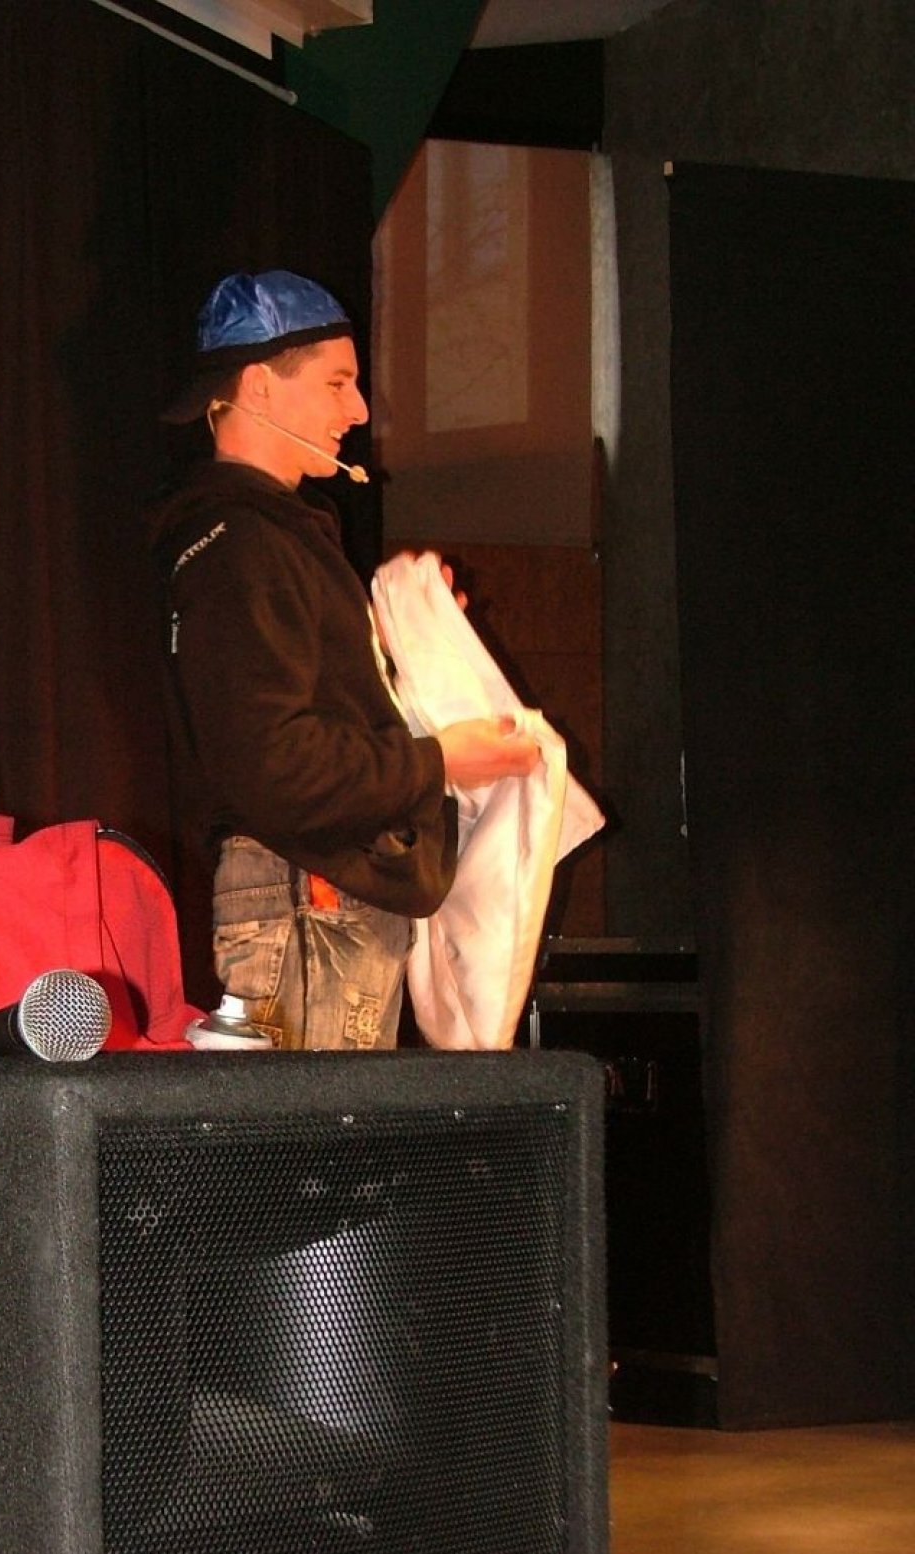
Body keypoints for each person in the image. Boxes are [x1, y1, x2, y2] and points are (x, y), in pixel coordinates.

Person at [152, 268, 539, 1050]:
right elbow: (274, 764)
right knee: (313, 1133)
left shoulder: (269, 539)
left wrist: (402, 653)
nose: (358, 411)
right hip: (307, 907)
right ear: (259, 386)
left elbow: (288, 725)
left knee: (325, 1131)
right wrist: (440, 761)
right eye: (337, 383)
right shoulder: (240, 545)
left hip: (318, 906)